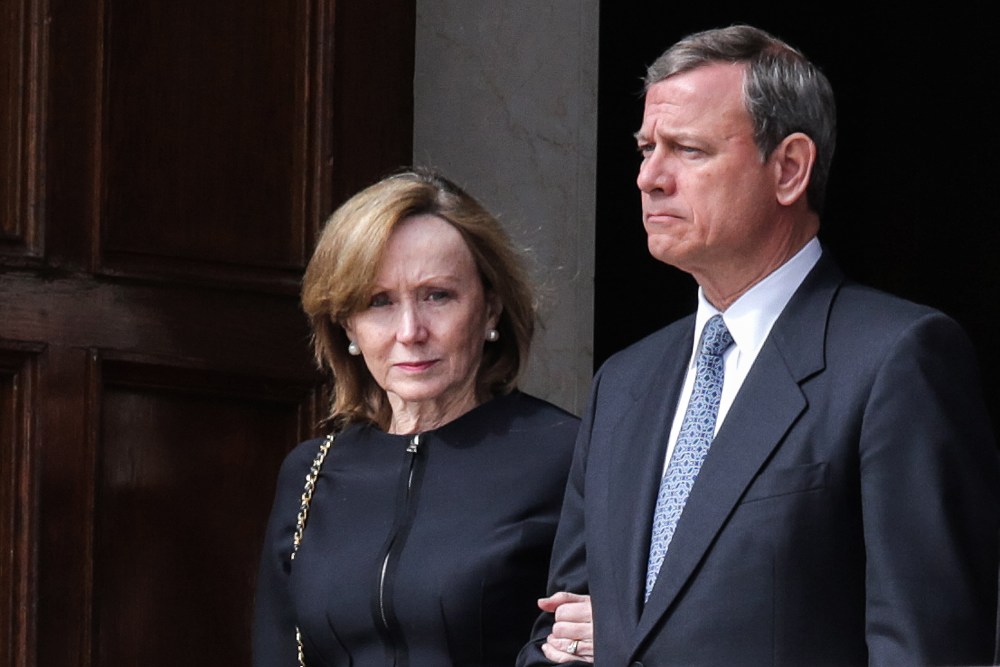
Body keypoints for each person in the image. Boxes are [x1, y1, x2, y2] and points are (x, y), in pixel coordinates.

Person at [520, 24, 1000, 666]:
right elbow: (555, 637)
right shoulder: (624, 382)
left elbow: (928, 649)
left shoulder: (896, 358)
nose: (649, 178)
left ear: (790, 168)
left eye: (687, 149)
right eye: (645, 149)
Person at [253, 168, 580, 666]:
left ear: (490, 308)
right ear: (348, 325)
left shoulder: (568, 454)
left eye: (438, 295)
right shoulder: (310, 473)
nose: (410, 331)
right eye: (378, 302)